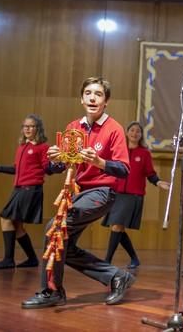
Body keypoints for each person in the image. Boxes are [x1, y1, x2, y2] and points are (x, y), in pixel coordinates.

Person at [21, 77, 135, 309]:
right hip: (77, 192)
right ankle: (116, 276)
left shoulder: (114, 129)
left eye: (99, 94)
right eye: (88, 93)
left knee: (55, 228)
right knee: (65, 246)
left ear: (106, 101)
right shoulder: (74, 127)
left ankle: (51, 291)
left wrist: (101, 162)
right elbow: (59, 167)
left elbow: (123, 170)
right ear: (81, 98)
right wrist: (54, 159)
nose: (93, 97)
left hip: (102, 192)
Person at [0, 114, 52, 269]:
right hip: (19, 189)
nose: (27, 129)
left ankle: (8, 259)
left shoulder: (42, 147)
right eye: (25, 126)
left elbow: (48, 168)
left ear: (37, 128)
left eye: (31, 126)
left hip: (30, 190)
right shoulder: (22, 147)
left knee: (5, 219)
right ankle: (32, 259)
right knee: (17, 226)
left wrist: (61, 164)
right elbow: (17, 169)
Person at [102, 121, 169, 268]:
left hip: (133, 196)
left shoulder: (144, 153)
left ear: (141, 135)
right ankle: (134, 258)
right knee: (117, 228)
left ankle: (107, 261)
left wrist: (158, 182)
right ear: (126, 133)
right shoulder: (118, 150)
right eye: (132, 130)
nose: (134, 133)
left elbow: (150, 173)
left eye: (138, 131)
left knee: (117, 227)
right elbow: (109, 168)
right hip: (116, 193)